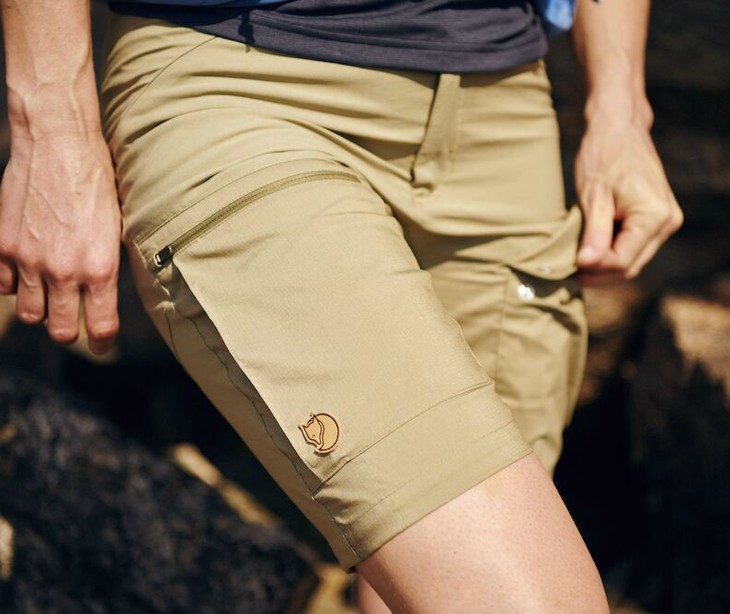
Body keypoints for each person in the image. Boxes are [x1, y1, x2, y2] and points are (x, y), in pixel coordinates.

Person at [0, 0, 680, 612]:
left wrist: (621, 108)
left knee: (428, 580)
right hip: (242, 82)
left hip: (504, 111)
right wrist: (50, 129)